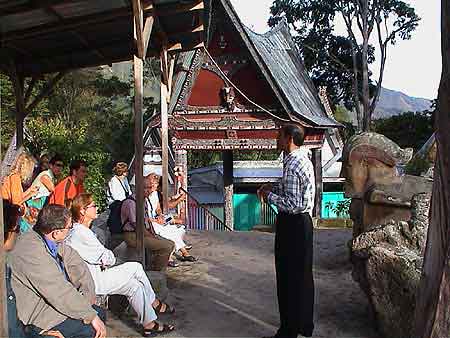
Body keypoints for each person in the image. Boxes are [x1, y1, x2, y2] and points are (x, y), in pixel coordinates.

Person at [66, 193, 175, 336]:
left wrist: (107, 257)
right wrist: (108, 257)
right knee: (135, 267)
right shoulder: (80, 233)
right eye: (93, 206)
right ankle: (154, 302)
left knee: (134, 286)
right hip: (93, 282)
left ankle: (149, 323)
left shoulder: (81, 231)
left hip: (95, 275)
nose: (97, 208)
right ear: (82, 211)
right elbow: (106, 257)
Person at [8, 204, 107, 338]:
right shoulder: (31, 250)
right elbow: (58, 290)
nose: (71, 230)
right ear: (56, 233)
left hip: (52, 305)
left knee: (99, 313)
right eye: (69, 227)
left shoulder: (49, 239)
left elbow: (76, 264)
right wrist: (89, 315)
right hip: (39, 315)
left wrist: (87, 297)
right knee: (92, 328)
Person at [258, 124, 315, 338]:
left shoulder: (292, 164)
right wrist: (272, 186)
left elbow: (292, 203)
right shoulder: (300, 159)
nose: (276, 139)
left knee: (288, 277)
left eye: (279, 135)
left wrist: (268, 196)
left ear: (289, 138)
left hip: (293, 223)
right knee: (302, 275)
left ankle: (288, 331)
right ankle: (303, 325)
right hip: (303, 223)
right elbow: (291, 189)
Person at [121, 174, 175, 271]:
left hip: (143, 233)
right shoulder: (131, 202)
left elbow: (147, 221)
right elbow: (137, 225)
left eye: (150, 188)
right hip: (133, 235)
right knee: (167, 246)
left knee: (170, 243)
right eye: (145, 188)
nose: (148, 190)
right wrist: (151, 236)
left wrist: (153, 233)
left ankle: (155, 268)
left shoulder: (143, 201)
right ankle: (156, 272)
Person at [150, 175, 196, 263]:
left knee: (179, 221)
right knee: (178, 221)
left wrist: (160, 215)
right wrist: (179, 199)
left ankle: (181, 247)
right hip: (154, 219)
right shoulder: (153, 194)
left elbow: (159, 208)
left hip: (158, 217)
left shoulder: (156, 193)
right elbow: (168, 205)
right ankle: (183, 249)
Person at [21, 155, 64, 230]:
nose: (60, 168)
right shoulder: (45, 176)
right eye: (58, 165)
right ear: (51, 165)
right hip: (33, 206)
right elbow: (55, 191)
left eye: (61, 166)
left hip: (38, 207)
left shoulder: (52, 178)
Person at [2, 151, 39, 233]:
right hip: (6, 213)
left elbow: (18, 197)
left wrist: (30, 191)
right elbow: (16, 203)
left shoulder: (13, 176)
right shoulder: (15, 178)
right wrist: (29, 195)